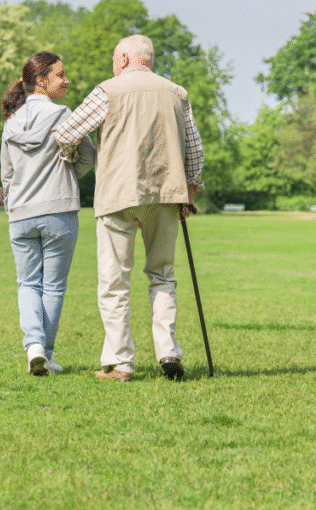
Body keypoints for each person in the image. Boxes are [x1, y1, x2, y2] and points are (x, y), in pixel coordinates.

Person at [54, 35, 205, 382]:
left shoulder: (108, 90)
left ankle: (121, 363)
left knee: (114, 281)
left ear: (123, 59)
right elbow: (194, 149)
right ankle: (167, 351)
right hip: (167, 194)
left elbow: (66, 132)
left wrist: (74, 159)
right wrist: (190, 191)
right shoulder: (176, 92)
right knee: (162, 275)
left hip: (118, 195)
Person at [0, 51, 96, 376]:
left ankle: (34, 347)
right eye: (60, 75)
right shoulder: (65, 115)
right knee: (53, 286)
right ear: (40, 81)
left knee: (27, 284)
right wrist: (68, 174)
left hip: (20, 214)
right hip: (60, 210)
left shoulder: (12, 121)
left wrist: (14, 207)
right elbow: (88, 157)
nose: (67, 80)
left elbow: (7, 175)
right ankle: (47, 355)